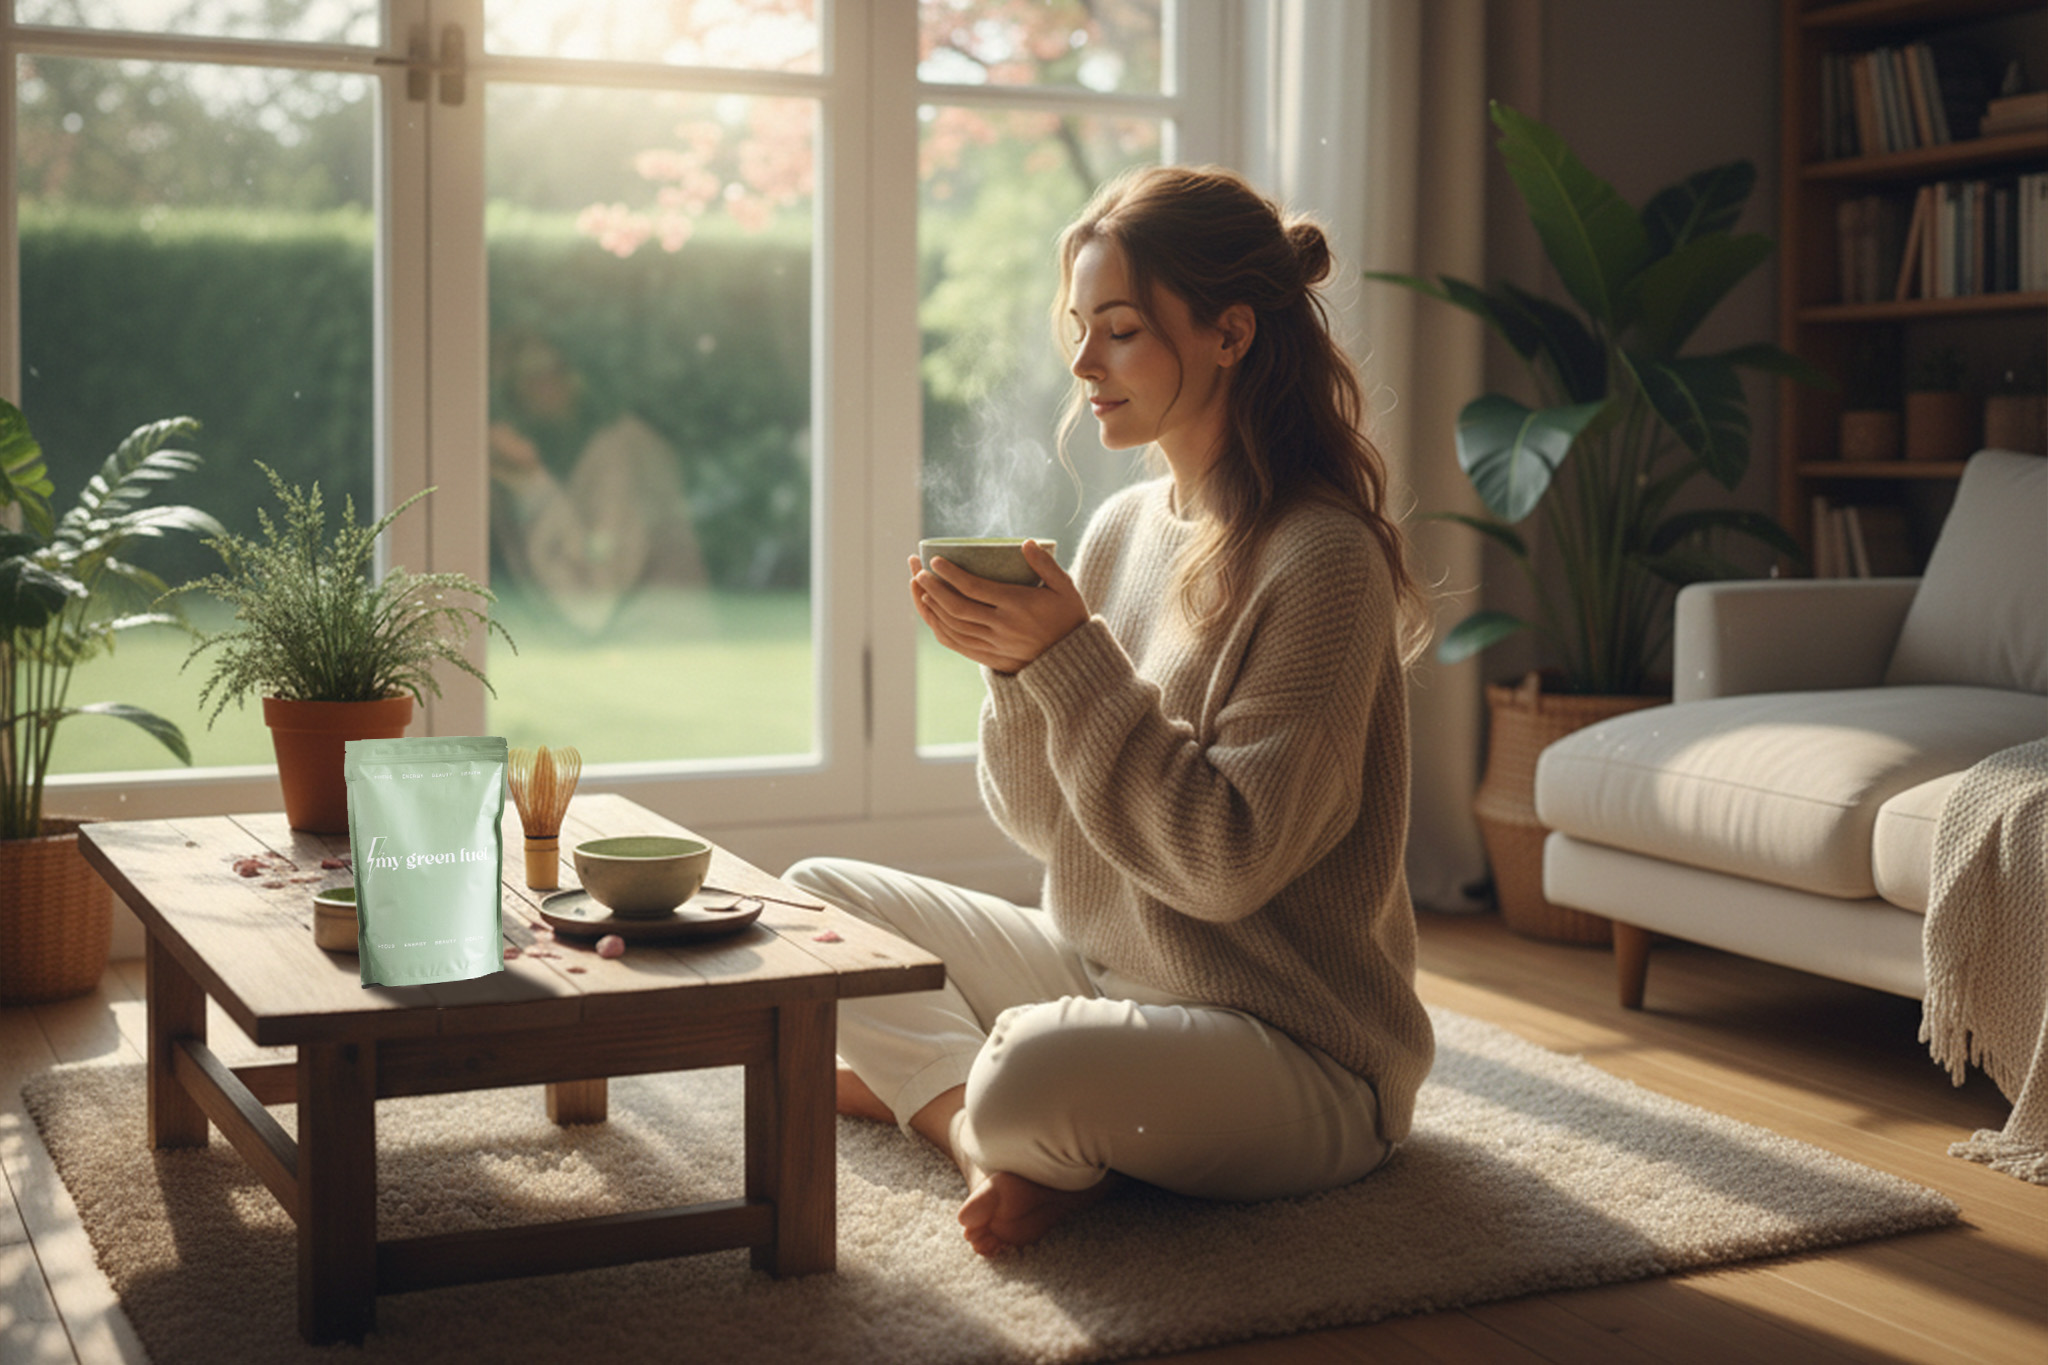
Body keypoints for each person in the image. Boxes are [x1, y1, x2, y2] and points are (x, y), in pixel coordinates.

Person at [784, 164, 1435, 1257]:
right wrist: (1018, 671)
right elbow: (1050, 828)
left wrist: (1071, 665)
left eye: (1119, 330)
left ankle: (967, 1088)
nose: (1081, 364)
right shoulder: (1123, 528)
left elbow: (1223, 866)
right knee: (811, 904)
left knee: (1031, 1065)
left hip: (1293, 1045)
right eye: (1079, 328)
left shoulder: (1323, 559)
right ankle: (984, 1138)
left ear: (1229, 333)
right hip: (1102, 967)